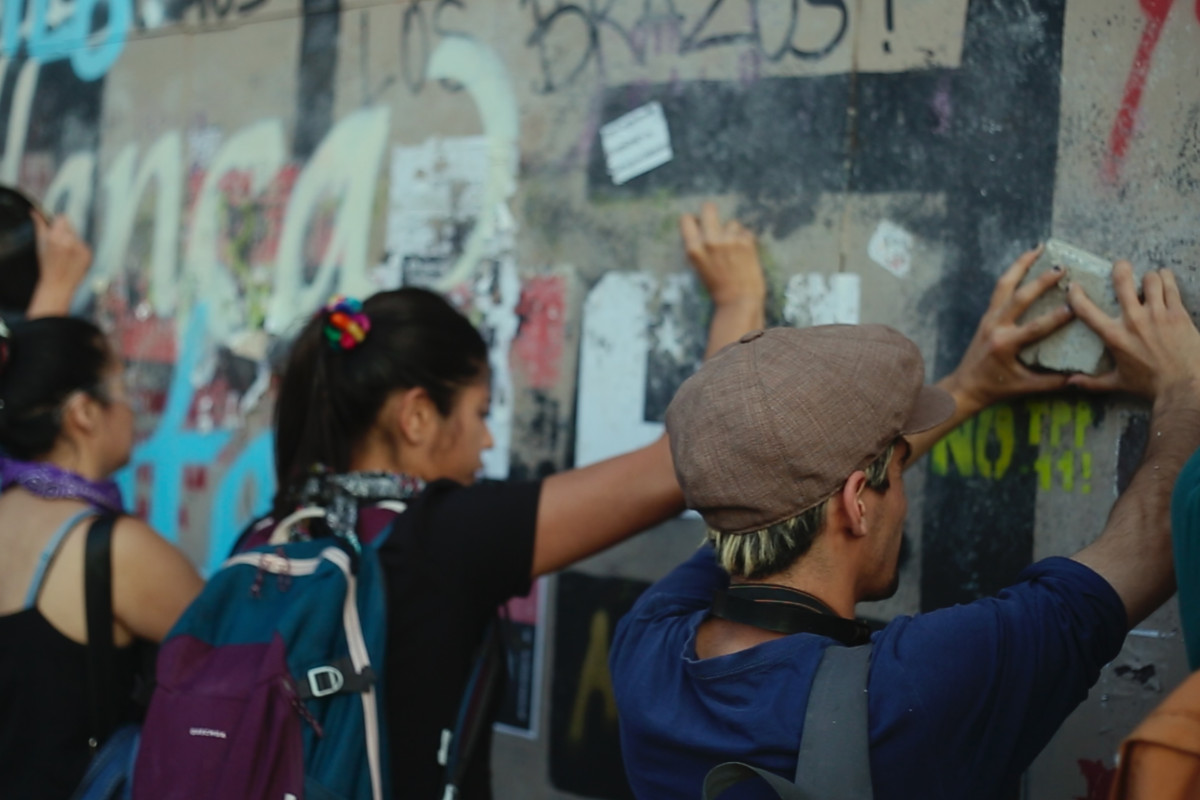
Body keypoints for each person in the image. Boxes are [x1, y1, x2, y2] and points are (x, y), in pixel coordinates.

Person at [609, 255, 1200, 800]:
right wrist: (1185, 386)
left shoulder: (646, 647)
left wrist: (970, 387)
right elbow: (1150, 542)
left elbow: (768, 487)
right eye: (899, 466)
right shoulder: (917, 690)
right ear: (858, 502)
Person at [255, 202, 767, 798]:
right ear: (418, 416)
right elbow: (677, 465)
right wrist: (736, 301)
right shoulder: (442, 537)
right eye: (479, 412)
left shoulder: (278, 530)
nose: (489, 438)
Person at [0, 316, 204, 799]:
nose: (133, 404)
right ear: (83, 413)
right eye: (122, 382)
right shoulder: (115, 552)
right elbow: (245, 656)